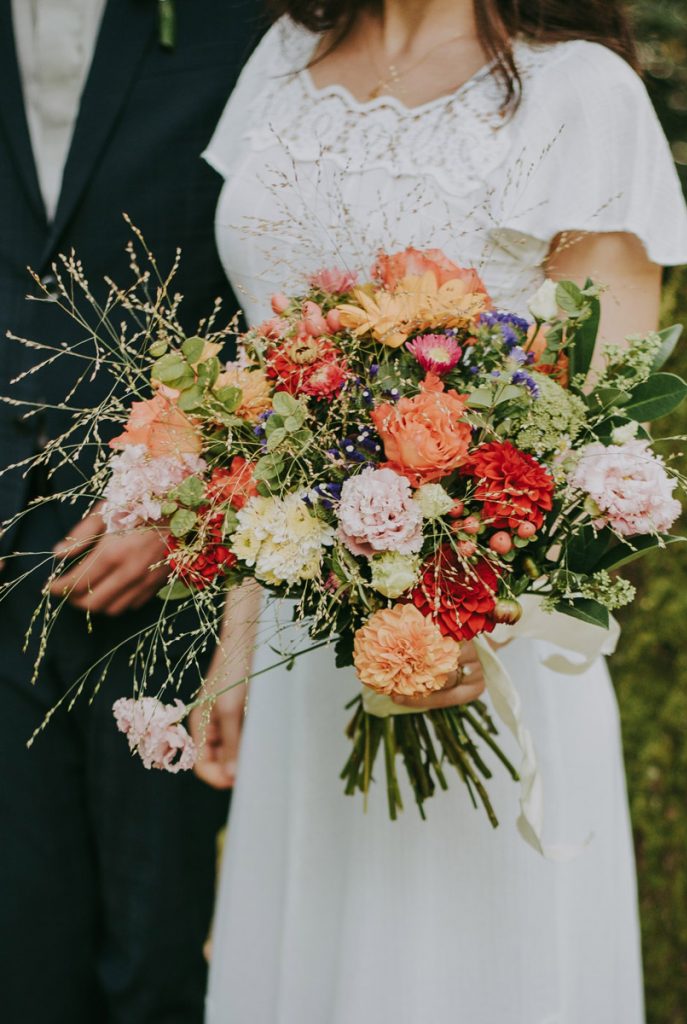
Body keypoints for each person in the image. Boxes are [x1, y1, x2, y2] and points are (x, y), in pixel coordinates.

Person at [201, 1, 687, 1021]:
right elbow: (259, 377)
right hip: (307, 633)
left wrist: (468, 615)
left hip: (482, 649)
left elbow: (602, 427)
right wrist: (241, 627)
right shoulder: (286, 54)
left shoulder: (581, 92)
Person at [0, 2, 264, 1021]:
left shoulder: (252, 20)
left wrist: (189, 494)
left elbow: (287, 269)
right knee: (22, 950)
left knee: (152, 956)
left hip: (172, 561)